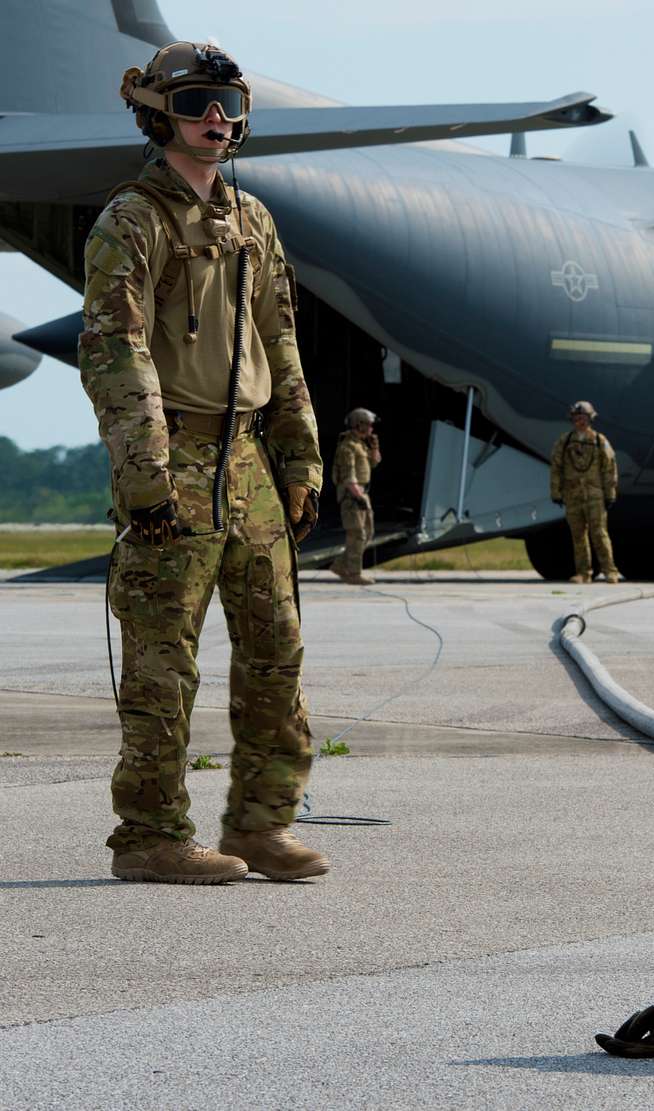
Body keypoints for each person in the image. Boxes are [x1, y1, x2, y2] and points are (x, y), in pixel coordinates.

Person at [79, 41, 328, 884]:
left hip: (249, 455)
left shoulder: (252, 221)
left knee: (276, 645)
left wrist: (300, 459)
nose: (215, 119)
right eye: (196, 104)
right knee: (163, 655)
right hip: (174, 453)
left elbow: (281, 342)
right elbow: (117, 351)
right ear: (158, 114)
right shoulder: (130, 221)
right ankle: (149, 834)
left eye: (226, 103)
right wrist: (146, 475)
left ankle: (261, 824)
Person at [549, 400, 620, 583]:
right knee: (578, 535)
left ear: (590, 419)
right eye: (576, 418)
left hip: (594, 495)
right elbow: (556, 467)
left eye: (583, 418)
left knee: (599, 533)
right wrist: (556, 492)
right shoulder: (564, 442)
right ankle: (583, 573)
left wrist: (610, 493)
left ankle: (610, 570)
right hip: (572, 495)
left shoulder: (599, 441)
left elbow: (609, 468)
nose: (580, 421)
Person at [332, 407, 381, 585]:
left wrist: (374, 447)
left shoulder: (361, 444)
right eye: (368, 425)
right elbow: (348, 475)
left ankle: (339, 564)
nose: (371, 429)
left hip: (361, 492)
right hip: (352, 495)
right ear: (358, 425)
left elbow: (374, 464)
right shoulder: (347, 447)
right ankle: (354, 573)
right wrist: (357, 496)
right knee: (357, 534)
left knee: (368, 533)